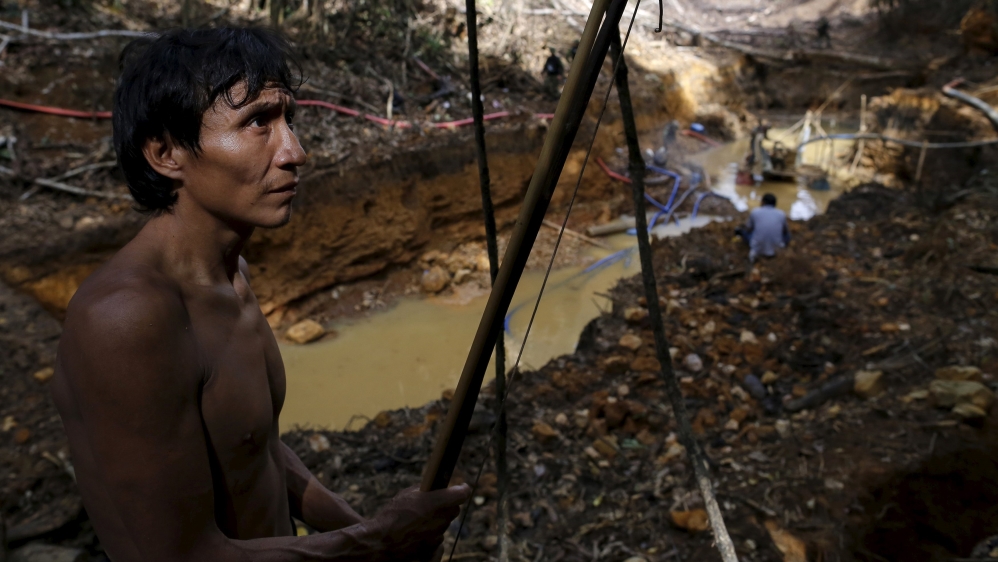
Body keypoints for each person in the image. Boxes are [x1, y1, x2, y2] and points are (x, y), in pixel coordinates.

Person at [51, 27, 470, 562]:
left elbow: (254, 448)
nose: (295, 152)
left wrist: (363, 528)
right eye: (256, 123)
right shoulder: (127, 320)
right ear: (165, 152)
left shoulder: (230, 275)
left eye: (287, 119)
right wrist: (376, 543)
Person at [735, 193, 790, 262]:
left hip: (757, 248)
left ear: (763, 202)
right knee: (788, 235)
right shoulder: (781, 214)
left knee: (744, 232)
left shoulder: (755, 212)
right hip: (777, 249)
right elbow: (785, 231)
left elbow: (748, 229)